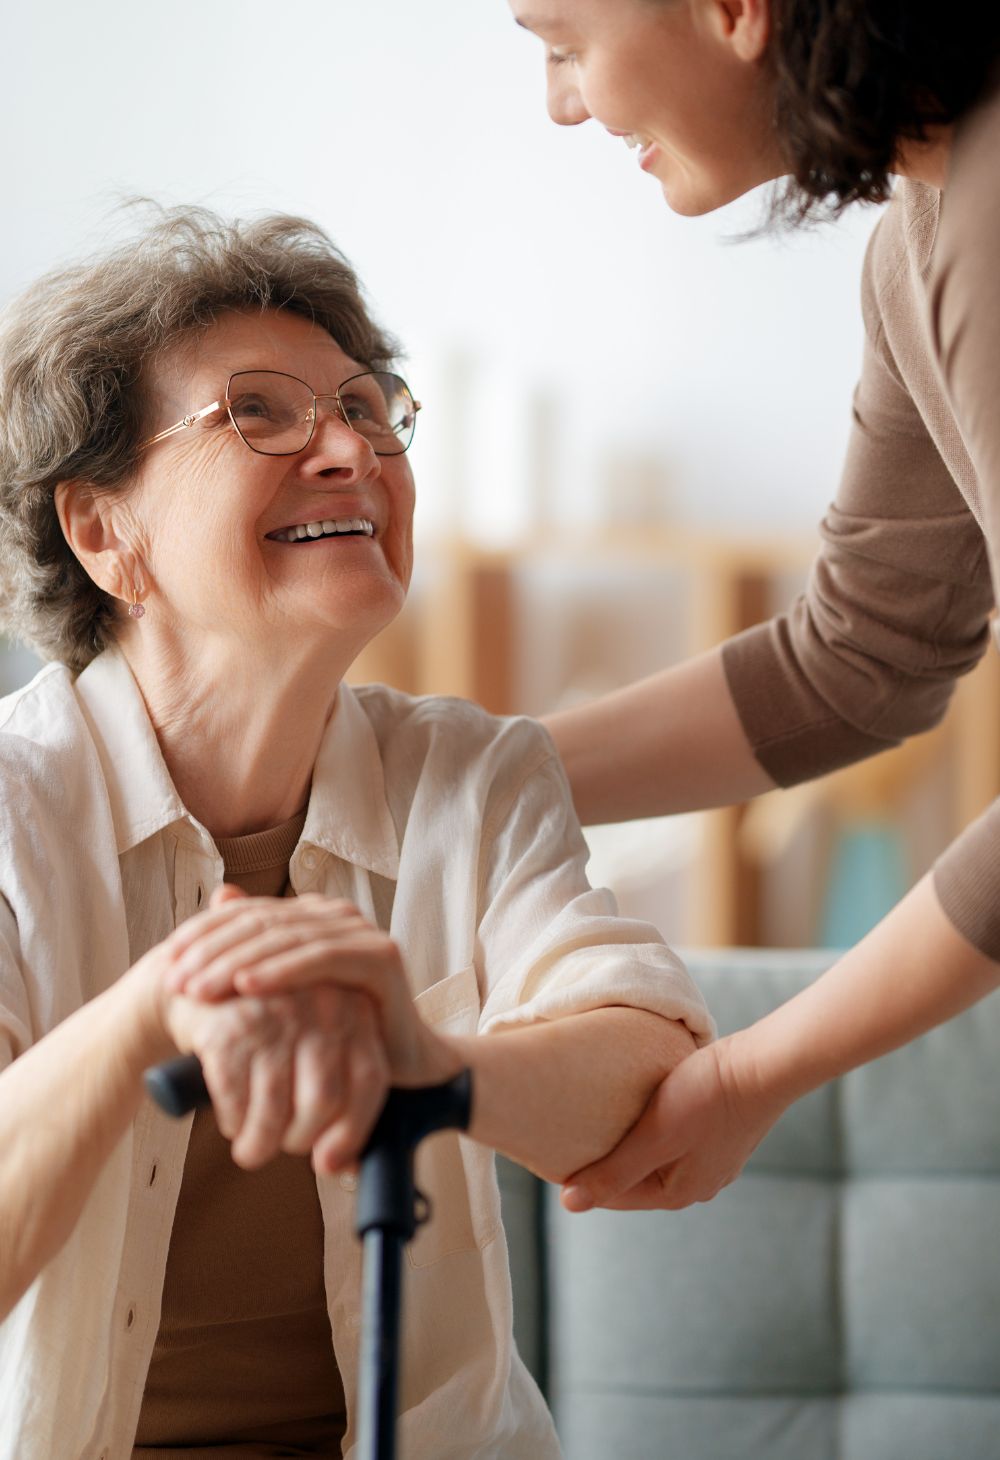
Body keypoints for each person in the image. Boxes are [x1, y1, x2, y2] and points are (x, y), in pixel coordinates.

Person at [0, 208, 712, 1460]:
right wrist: (153, 1008)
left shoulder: (477, 774)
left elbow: (649, 1080)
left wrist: (426, 1064)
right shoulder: (14, 809)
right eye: (259, 412)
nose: (350, 448)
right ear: (103, 530)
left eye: (372, 408)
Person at [505, 0, 1000, 1214]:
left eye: (563, 44)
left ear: (734, 10)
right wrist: (460, 773)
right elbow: (858, 657)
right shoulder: (921, 240)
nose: (562, 102)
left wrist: (752, 1068)